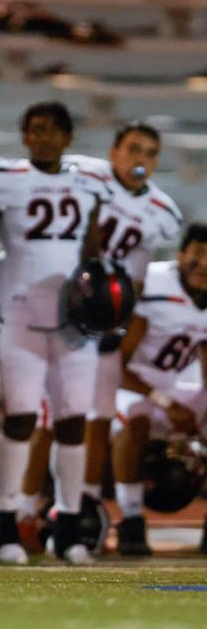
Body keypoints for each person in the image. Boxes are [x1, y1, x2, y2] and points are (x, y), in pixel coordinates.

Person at [16, 122, 183, 550]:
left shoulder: (160, 210)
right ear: (114, 152)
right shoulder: (84, 177)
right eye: (132, 149)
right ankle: (25, 511)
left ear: (157, 161)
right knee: (48, 417)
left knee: (95, 419)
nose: (140, 159)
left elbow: (139, 278)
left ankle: (81, 506)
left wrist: (117, 321)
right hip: (60, 303)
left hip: (103, 316)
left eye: (149, 152)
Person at [0, 101, 111, 565]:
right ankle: (6, 525)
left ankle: (67, 527)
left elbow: (91, 254)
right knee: (21, 418)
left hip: (71, 321)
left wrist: (102, 302)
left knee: (72, 423)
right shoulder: (4, 177)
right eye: (34, 129)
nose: (42, 137)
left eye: (52, 130)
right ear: (24, 135)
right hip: (21, 316)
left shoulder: (89, 183)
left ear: (68, 138)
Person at [109, 224, 207, 554]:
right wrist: (167, 404)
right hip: (130, 385)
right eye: (199, 254)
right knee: (135, 420)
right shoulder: (154, 285)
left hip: (172, 388)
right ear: (181, 255)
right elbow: (116, 365)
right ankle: (132, 520)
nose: (205, 265)